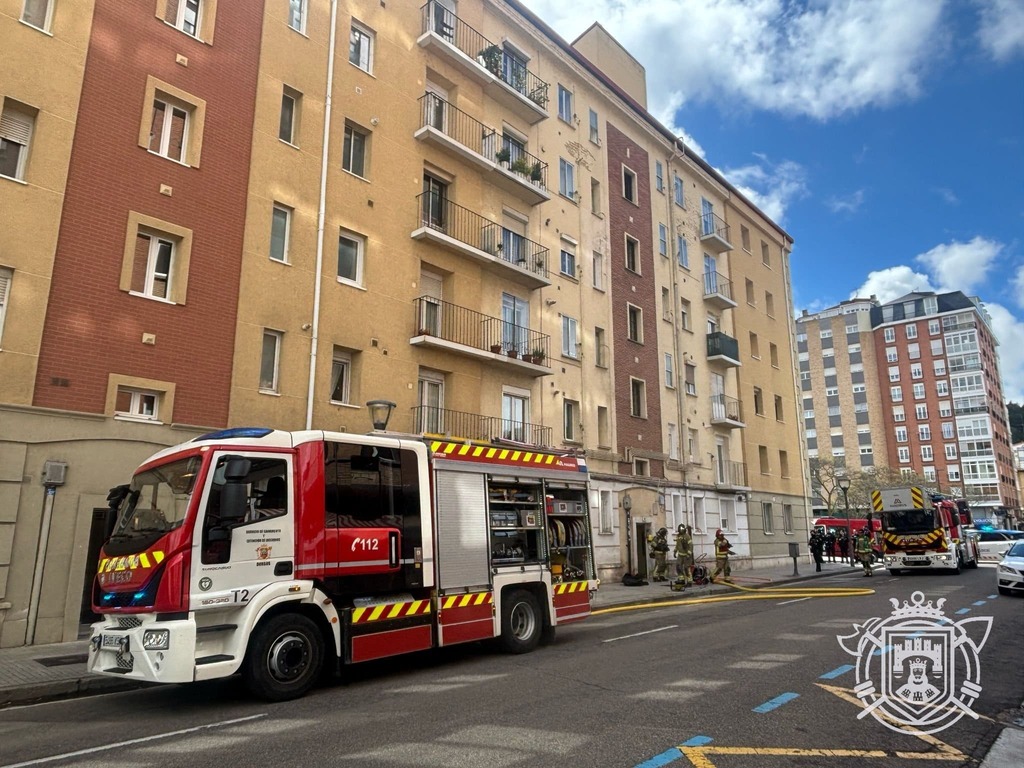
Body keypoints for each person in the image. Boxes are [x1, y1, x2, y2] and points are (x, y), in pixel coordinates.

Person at [672, 525, 694, 589]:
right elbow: (677, 545)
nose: (681, 531)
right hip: (680, 555)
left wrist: (689, 554)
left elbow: (690, 545)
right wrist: (675, 551)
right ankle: (681, 579)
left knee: (686, 568)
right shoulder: (679, 536)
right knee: (678, 566)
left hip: (686, 555)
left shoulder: (687, 536)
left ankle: (689, 581)